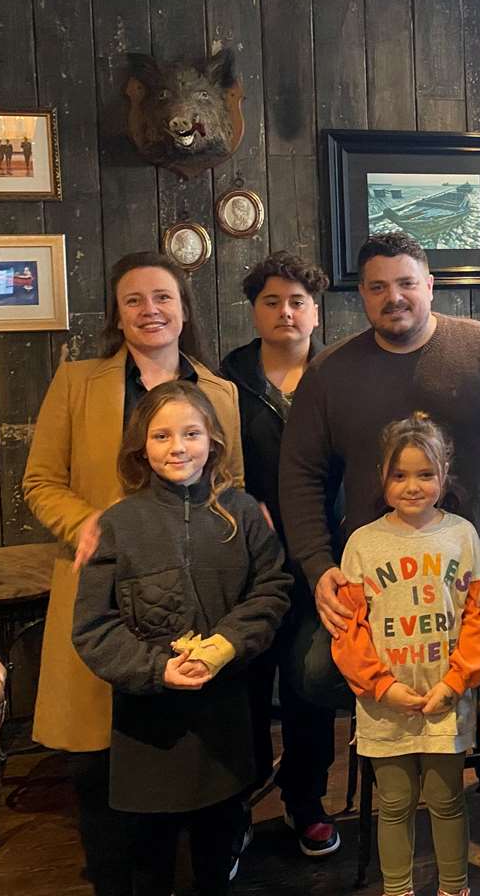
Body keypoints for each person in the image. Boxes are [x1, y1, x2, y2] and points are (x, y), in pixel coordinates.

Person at [278, 230, 480, 894]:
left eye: (406, 282)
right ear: (361, 297)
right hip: (377, 588)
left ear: (431, 285)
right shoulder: (330, 372)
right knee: (311, 672)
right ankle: (398, 776)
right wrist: (319, 567)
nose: (393, 297)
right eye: (377, 287)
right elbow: (297, 474)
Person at [22, 250, 244, 896]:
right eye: (134, 300)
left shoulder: (219, 392)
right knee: (97, 761)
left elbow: (231, 489)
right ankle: (116, 878)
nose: (151, 310)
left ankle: (195, 870)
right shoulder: (77, 383)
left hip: (194, 595)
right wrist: (86, 524)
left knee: (189, 746)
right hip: (100, 587)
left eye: (163, 297)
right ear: (117, 315)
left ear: (183, 310)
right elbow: (40, 481)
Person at [72, 381, 291, 896]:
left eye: (191, 433)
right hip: (147, 728)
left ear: (212, 441)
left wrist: (226, 644)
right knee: (151, 862)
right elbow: (93, 627)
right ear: (140, 447)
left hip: (226, 717)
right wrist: (156, 668)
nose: (178, 447)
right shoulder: (119, 525)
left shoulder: (241, 515)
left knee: (217, 852)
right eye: (162, 435)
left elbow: (272, 589)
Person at [332, 413, 480, 896]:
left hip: (446, 698)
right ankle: (398, 889)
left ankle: (454, 888)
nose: (412, 486)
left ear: (444, 476)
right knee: (395, 802)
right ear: (381, 478)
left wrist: (456, 682)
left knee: (448, 800)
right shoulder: (363, 544)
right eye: (400, 475)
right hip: (384, 704)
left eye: (425, 474)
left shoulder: (463, 536)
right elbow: (348, 630)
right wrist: (382, 686)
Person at [220, 251, 341, 856]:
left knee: (308, 681)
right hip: (247, 556)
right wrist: (242, 505)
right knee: (244, 683)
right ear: (254, 311)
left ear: (316, 311)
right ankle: (237, 806)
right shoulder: (224, 379)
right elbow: (206, 461)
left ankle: (305, 800)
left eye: (297, 301)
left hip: (326, 553)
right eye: (272, 301)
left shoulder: (342, 372)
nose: (285, 312)